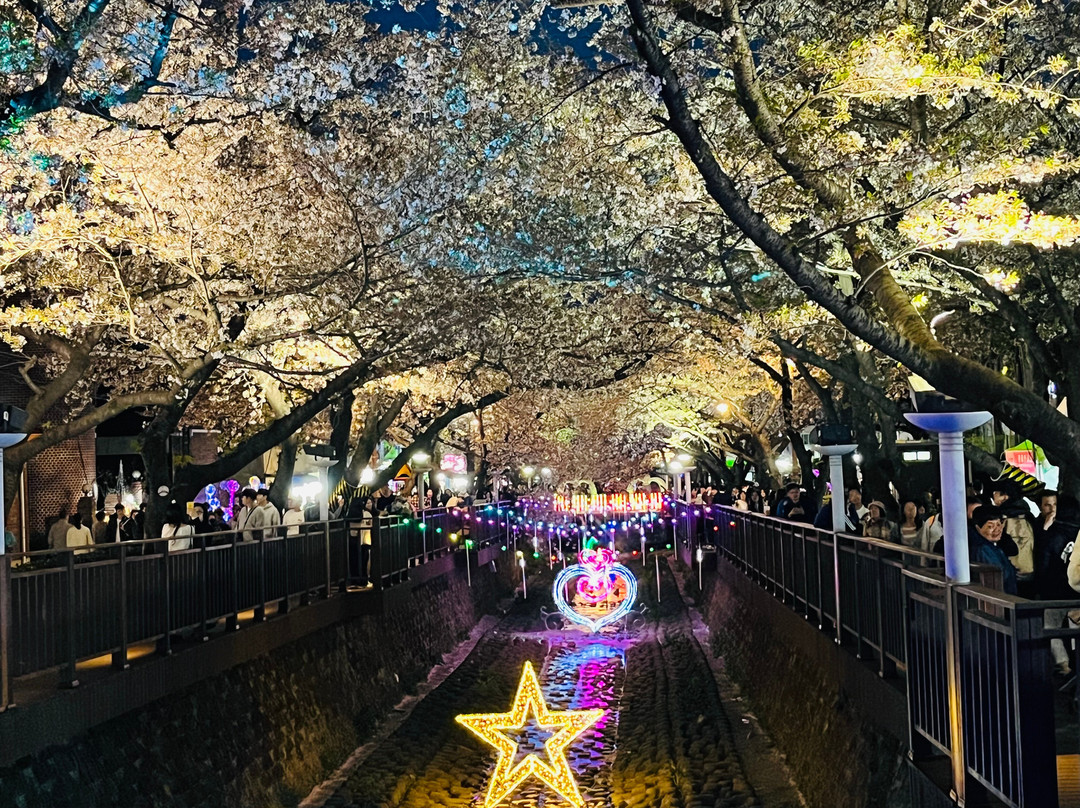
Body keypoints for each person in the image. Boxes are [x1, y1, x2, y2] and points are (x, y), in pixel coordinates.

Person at [1041, 496, 1079, 675]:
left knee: (1051, 628)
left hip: (1053, 592)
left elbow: (1044, 564)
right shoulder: (1078, 532)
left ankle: (1063, 665)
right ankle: (1076, 660)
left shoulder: (1052, 533)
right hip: (1076, 592)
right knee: (1075, 627)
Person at [991, 481, 1036, 597]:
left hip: (1013, 573)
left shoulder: (1004, 517)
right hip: (1031, 572)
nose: (993, 497)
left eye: (996, 494)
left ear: (1005, 496)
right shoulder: (1028, 515)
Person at [969, 505, 1018, 595]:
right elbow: (1000, 575)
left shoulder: (991, 545)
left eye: (999, 524)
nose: (997, 530)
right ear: (977, 528)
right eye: (990, 527)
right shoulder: (983, 549)